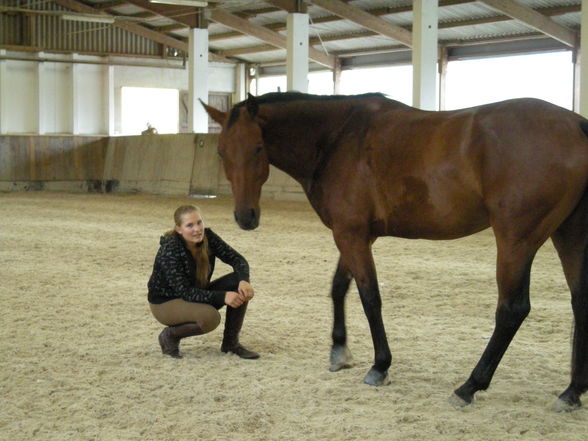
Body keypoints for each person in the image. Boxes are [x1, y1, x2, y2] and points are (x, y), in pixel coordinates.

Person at [147, 204, 259, 360]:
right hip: (167, 303)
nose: (197, 229)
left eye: (199, 222)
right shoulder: (170, 249)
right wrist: (223, 297)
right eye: (190, 225)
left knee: (237, 281)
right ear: (179, 229)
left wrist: (244, 281)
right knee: (210, 318)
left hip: (194, 294)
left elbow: (237, 259)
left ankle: (231, 344)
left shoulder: (208, 237)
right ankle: (169, 336)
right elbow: (185, 292)